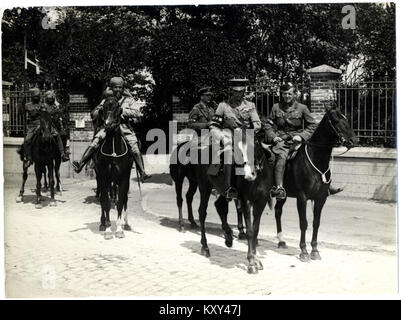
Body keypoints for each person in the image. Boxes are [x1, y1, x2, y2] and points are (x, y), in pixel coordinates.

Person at [264, 82, 343, 199]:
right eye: (284, 94)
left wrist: (301, 136)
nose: (287, 96)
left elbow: (312, 125)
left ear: (295, 94)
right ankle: (279, 188)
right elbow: (267, 124)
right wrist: (273, 137)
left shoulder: (302, 108)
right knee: (281, 156)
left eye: (289, 93)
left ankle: (326, 185)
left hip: (298, 140)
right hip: (282, 141)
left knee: (316, 156)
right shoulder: (276, 107)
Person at [72, 77, 151, 182]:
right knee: (94, 143)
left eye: (120, 87)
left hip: (124, 128)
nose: (118, 89)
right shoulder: (106, 100)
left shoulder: (129, 100)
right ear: (112, 88)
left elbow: (137, 113)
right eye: (115, 87)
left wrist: (122, 111)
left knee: (135, 148)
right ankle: (81, 163)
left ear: (123, 89)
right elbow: (94, 114)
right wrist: (99, 111)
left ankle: (142, 172)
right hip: (108, 128)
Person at [209, 78, 261, 200]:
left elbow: (257, 124)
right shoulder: (223, 106)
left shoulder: (250, 106)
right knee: (229, 156)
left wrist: (249, 129)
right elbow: (213, 125)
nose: (238, 94)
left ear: (244, 91)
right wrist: (221, 135)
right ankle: (228, 188)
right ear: (231, 91)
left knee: (266, 156)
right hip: (228, 139)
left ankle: (266, 186)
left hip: (246, 138)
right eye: (235, 92)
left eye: (241, 92)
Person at [42, 90, 70, 162]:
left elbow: (59, 116)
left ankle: (63, 153)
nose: (51, 99)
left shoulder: (55, 106)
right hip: (45, 125)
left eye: (52, 98)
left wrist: (59, 112)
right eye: (49, 98)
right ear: (46, 98)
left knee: (62, 134)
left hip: (54, 125)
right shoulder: (43, 106)